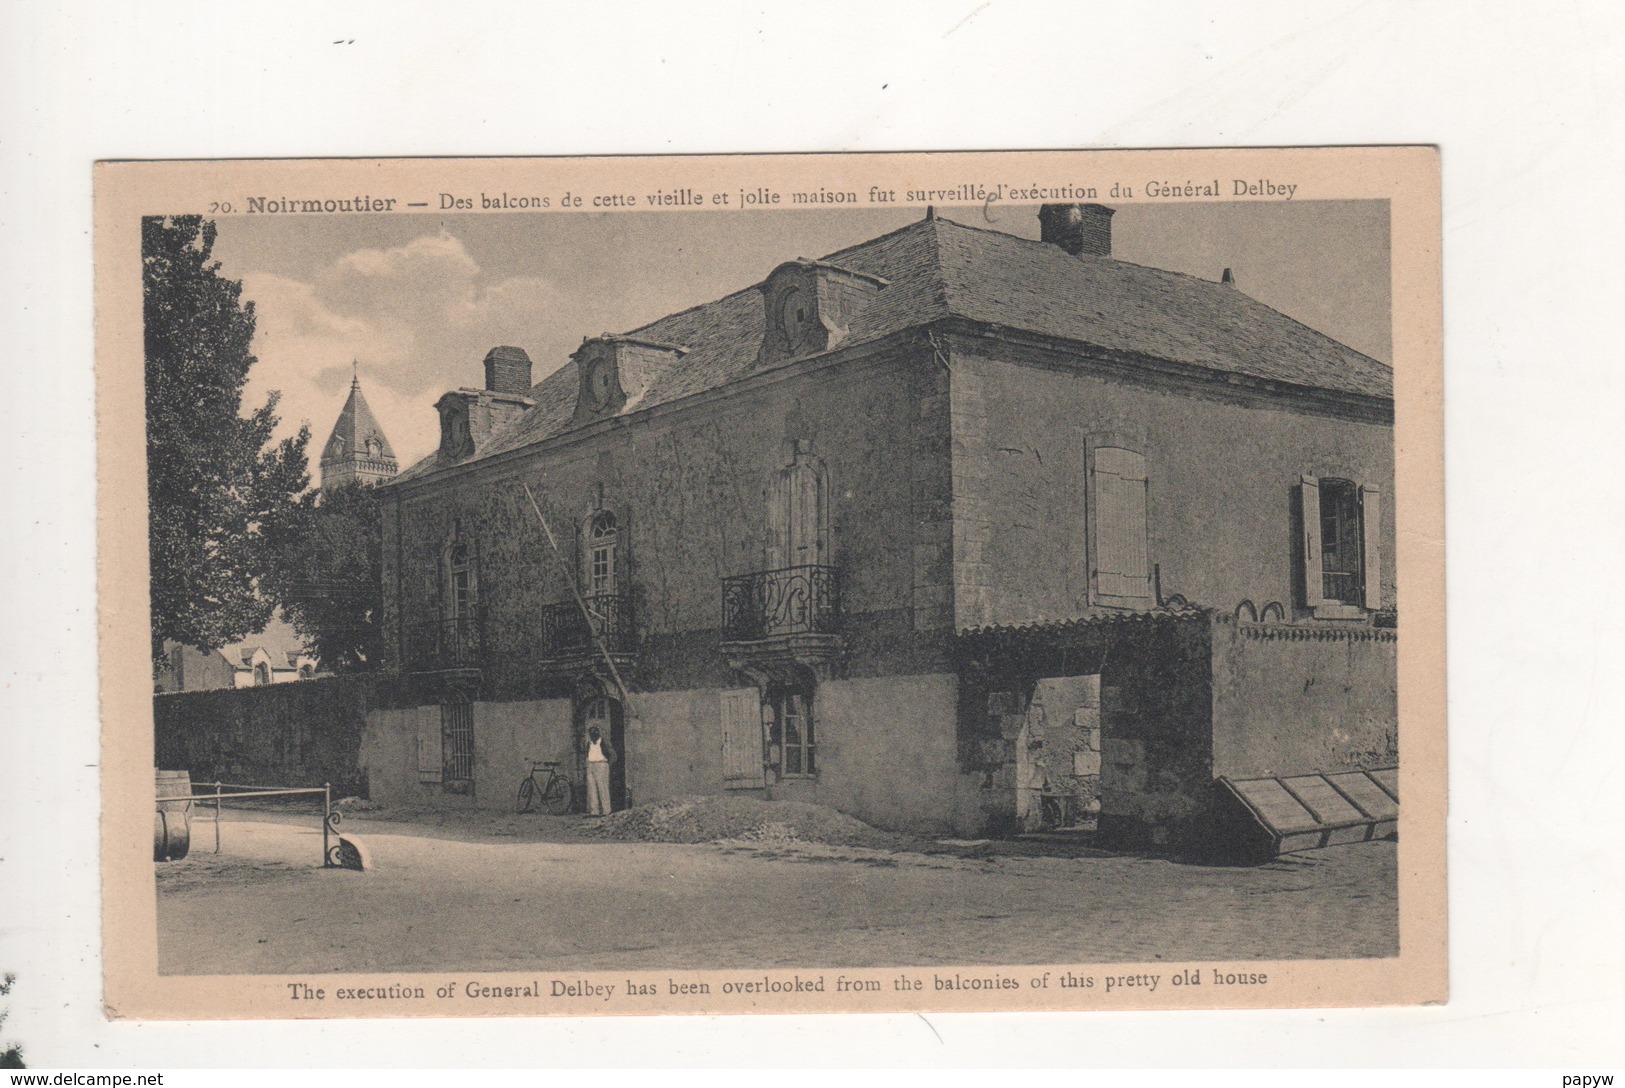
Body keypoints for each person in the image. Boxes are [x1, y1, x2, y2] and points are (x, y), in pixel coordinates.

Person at [583, 724, 617, 816]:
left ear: (598, 734)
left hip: (601, 765)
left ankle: (606, 810)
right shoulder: (589, 744)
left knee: (603, 788)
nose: (593, 736)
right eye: (591, 734)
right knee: (592, 789)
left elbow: (613, 755)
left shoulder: (604, 742)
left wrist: (607, 765)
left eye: (595, 734)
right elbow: (587, 755)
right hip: (591, 765)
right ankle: (594, 811)